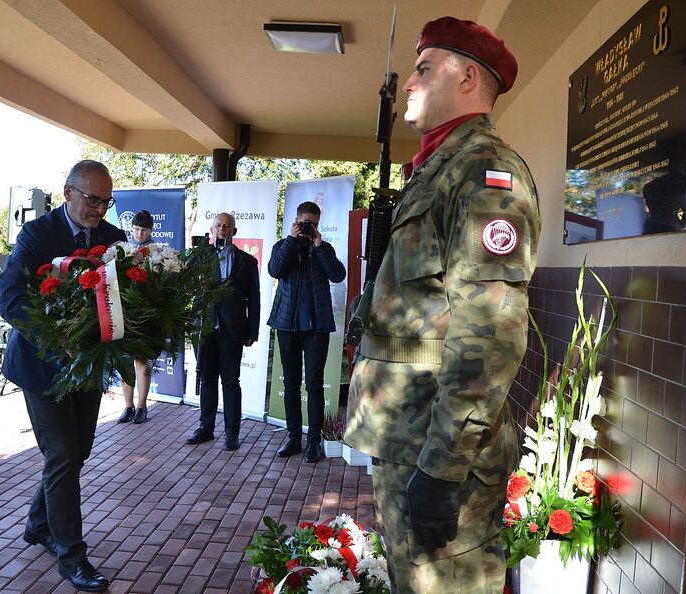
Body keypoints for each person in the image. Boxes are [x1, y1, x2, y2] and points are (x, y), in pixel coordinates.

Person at [344, 17, 540, 593]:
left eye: (424, 69)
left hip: (435, 448)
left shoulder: (485, 174)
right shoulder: (437, 170)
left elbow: (489, 332)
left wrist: (442, 467)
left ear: (467, 77)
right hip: (407, 435)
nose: (409, 83)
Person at [0, 160, 126, 592]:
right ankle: (72, 557)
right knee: (64, 453)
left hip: (87, 365)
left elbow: (124, 298)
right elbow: (10, 297)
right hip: (41, 366)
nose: (99, 209)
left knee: (76, 451)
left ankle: (39, 524)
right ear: (68, 192)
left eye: (106, 201)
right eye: (92, 199)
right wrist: (55, 338)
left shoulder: (113, 238)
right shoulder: (37, 234)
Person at [267, 201, 346, 463]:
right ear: (296, 221)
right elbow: (274, 270)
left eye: (313, 224)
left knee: (314, 383)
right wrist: (292, 240)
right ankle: (293, 437)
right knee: (290, 383)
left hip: (316, 327)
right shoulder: (283, 245)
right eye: (305, 223)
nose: (309, 228)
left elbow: (337, 275)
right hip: (287, 323)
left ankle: (313, 440)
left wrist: (319, 246)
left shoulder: (324, 248)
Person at [185, 212, 260, 451]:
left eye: (227, 226)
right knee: (207, 379)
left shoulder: (247, 262)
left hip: (233, 330)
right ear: (212, 229)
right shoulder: (200, 256)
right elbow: (186, 284)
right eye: (218, 225)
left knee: (230, 381)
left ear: (233, 232)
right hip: (205, 327)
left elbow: (254, 299)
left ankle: (231, 433)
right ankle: (206, 428)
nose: (222, 229)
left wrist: (252, 331)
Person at [117, 210, 156, 424]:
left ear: (151, 230)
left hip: (146, 311)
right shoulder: (123, 250)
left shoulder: (157, 251)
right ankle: (128, 405)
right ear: (131, 228)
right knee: (124, 360)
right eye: (137, 229)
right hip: (124, 310)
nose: (140, 234)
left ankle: (142, 406)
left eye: (144, 230)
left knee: (142, 360)